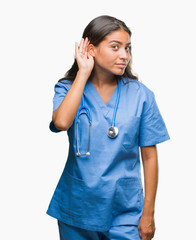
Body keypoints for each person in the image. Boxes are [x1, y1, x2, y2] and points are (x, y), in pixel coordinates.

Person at [46, 15, 170, 240]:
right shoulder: (67, 88)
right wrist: (83, 73)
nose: (125, 55)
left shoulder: (141, 95)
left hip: (125, 209)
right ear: (91, 49)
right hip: (77, 207)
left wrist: (148, 213)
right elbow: (61, 122)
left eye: (127, 48)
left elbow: (150, 157)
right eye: (116, 47)